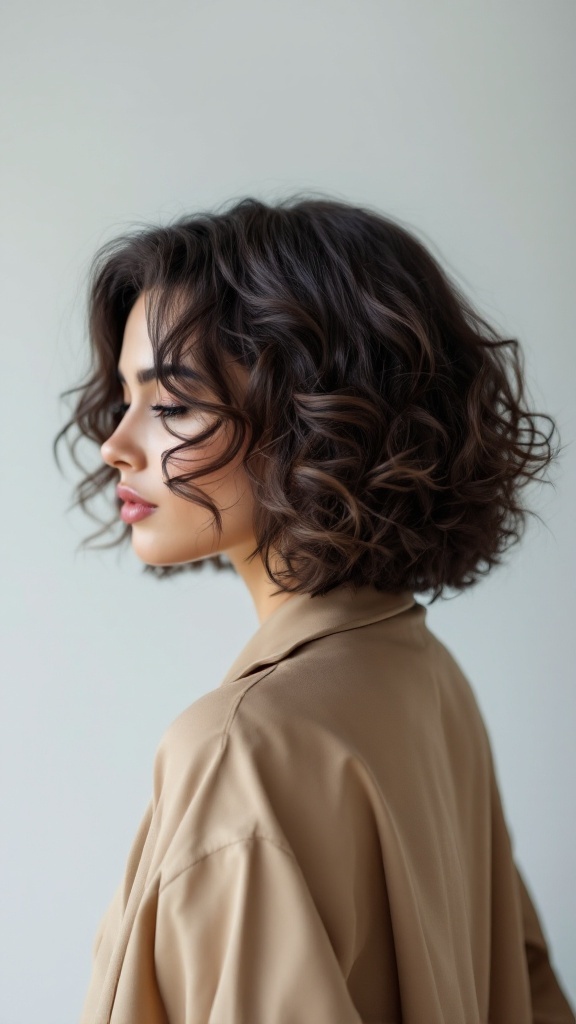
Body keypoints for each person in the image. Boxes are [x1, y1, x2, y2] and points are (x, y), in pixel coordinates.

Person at [54, 194, 575, 1023]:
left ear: (310, 419)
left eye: (173, 403)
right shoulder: (424, 677)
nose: (117, 441)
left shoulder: (240, 750)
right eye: (125, 396)